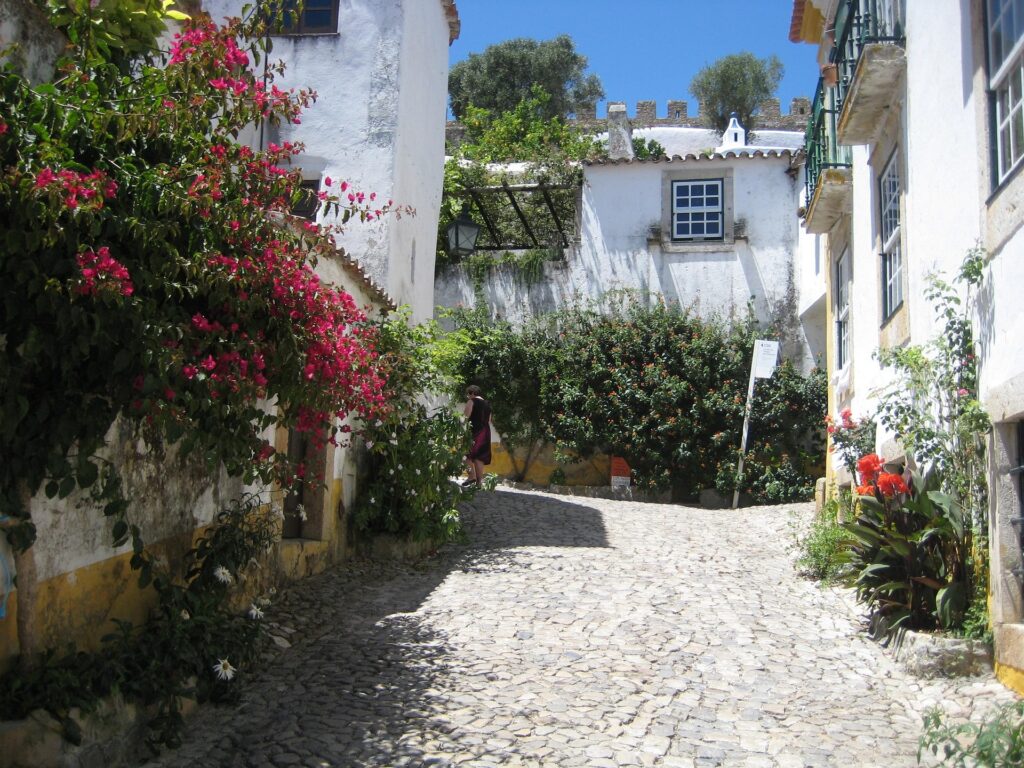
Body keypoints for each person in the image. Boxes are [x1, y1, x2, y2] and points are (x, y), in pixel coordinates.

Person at [463, 384, 492, 487]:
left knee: (465, 454)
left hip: (474, 431)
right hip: (485, 432)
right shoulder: (487, 404)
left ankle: (471, 476)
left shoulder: (472, 401)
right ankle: (480, 482)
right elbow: (489, 420)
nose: (468, 397)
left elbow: (465, 417)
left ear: (472, 393)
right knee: (479, 457)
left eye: (468, 394)